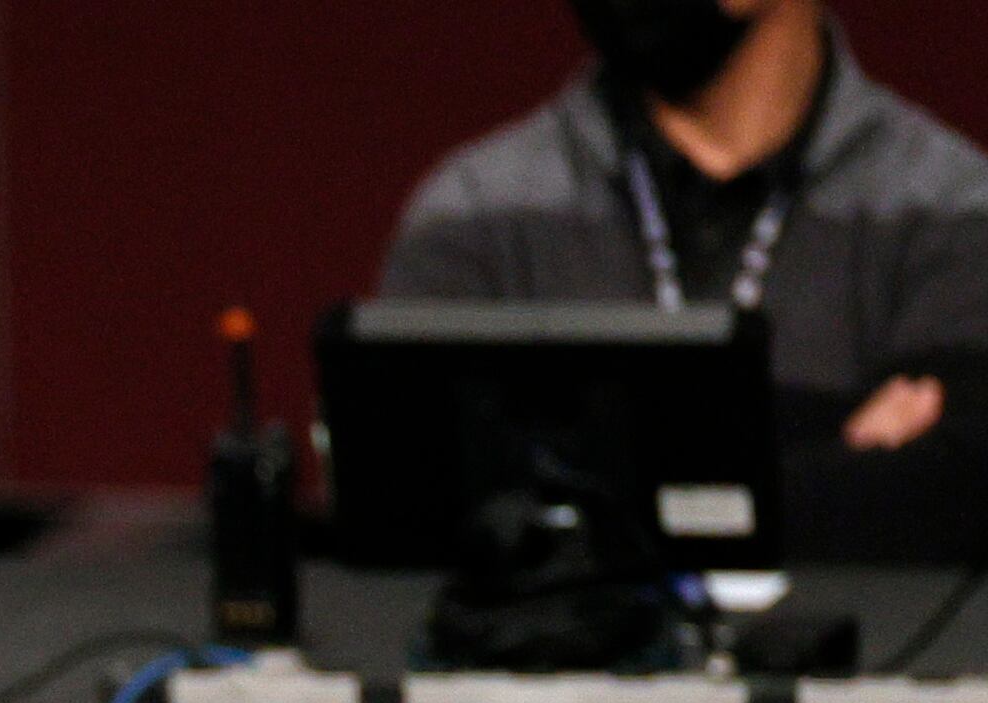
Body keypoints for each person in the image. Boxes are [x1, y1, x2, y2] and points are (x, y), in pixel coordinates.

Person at [382, 0, 988, 560]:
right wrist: (834, 465)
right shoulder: (477, 219)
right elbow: (409, 513)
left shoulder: (956, 213)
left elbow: (952, 504)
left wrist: (579, 496)